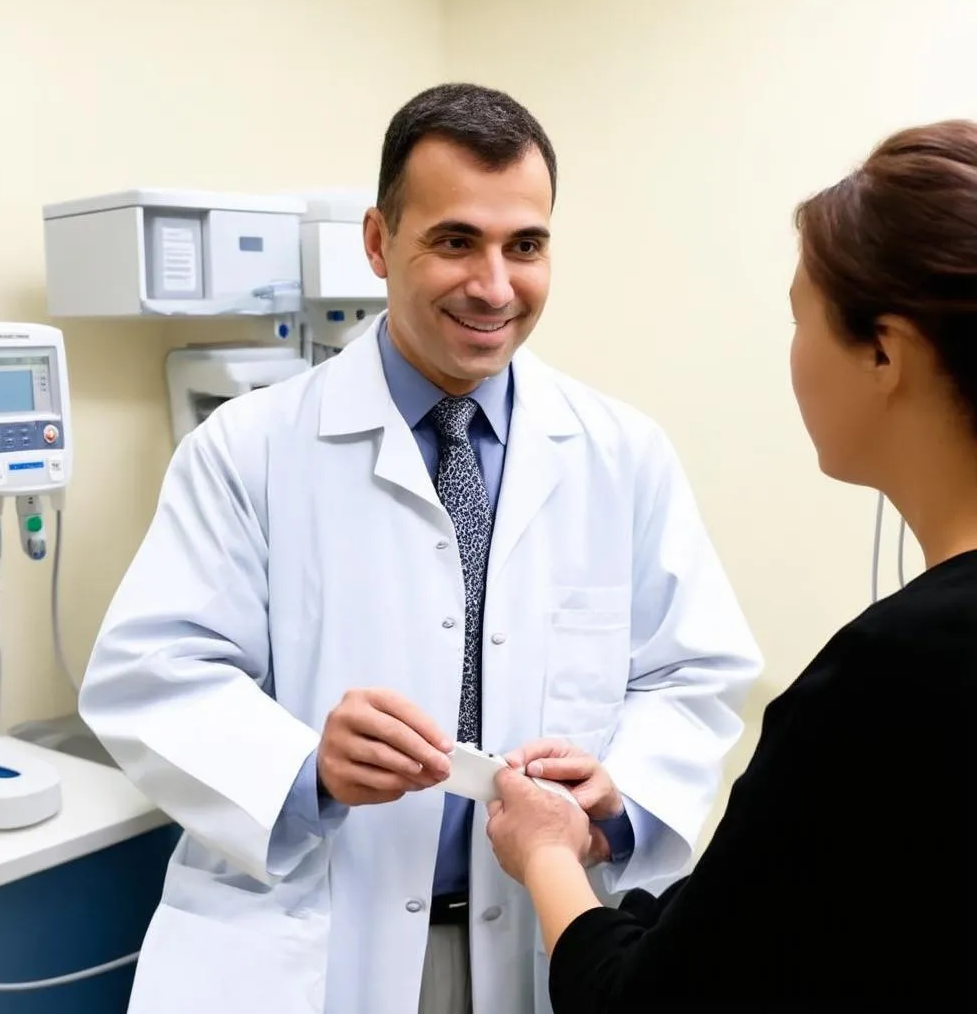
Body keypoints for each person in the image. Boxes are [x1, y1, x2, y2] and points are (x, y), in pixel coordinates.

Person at [77, 82, 762, 1014]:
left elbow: (694, 674)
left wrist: (619, 800)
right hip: (315, 951)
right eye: (454, 241)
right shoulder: (248, 449)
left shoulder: (621, 453)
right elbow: (148, 675)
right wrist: (305, 765)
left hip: (537, 944)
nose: (494, 285)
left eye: (525, 245)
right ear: (377, 242)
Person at [484, 118, 976, 1012]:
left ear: (883, 352)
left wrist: (549, 852)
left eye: (800, 317)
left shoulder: (893, 675)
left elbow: (651, 1004)